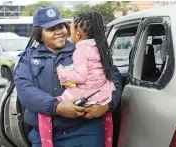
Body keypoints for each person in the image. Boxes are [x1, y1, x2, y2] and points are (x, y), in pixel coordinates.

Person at [14, 6, 122, 147]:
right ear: (40, 34)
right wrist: (56, 107)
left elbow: (114, 80)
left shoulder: (85, 49)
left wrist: (107, 106)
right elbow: (25, 90)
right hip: (45, 134)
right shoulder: (27, 58)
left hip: (86, 131)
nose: (59, 32)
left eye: (61, 27)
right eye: (51, 29)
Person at [38, 11, 115, 147]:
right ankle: (108, 143)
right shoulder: (100, 48)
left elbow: (80, 77)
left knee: (44, 113)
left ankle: (47, 144)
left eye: (65, 28)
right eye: (51, 29)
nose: (60, 32)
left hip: (83, 93)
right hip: (102, 91)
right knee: (107, 115)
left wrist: (61, 71)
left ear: (77, 34)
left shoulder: (79, 51)